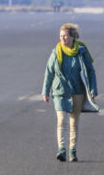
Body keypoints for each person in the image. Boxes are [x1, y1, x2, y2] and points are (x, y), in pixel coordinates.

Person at [42, 23, 99, 162]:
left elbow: (90, 71)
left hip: (78, 90)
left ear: (72, 37)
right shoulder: (56, 52)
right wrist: (45, 91)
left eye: (65, 36)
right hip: (60, 91)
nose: (63, 39)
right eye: (61, 36)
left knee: (74, 122)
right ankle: (61, 149)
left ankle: (72, 151)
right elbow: (49, 72)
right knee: (61, 120)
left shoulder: (81, 51)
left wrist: (93, 89)